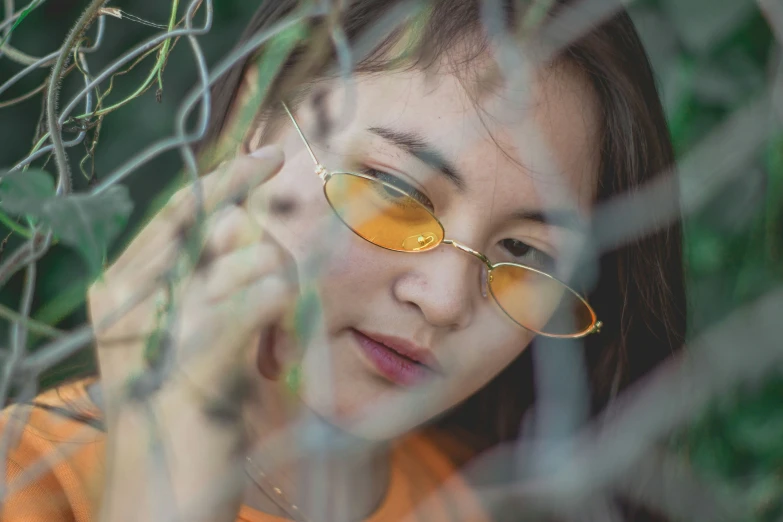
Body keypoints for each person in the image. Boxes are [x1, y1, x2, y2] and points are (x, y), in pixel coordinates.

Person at [1, 0, 686, 521]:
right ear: (253, 123)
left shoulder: (495, 496)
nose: (445, 299)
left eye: (522, 251)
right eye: (394, 191)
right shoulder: (28, 478)